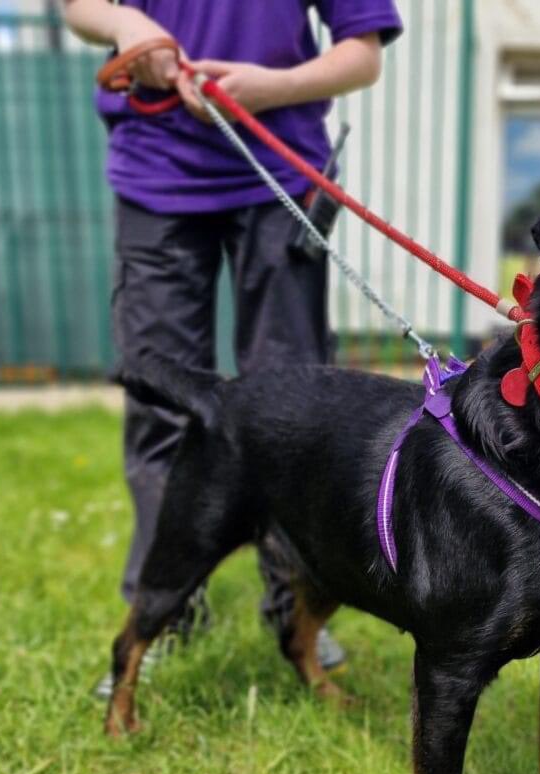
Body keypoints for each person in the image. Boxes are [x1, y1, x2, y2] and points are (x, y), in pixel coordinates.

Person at [61, 0, 402, 695]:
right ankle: (165, 609)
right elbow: (79, 6)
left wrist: (268, 86)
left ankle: (295, 609)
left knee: (295, 420)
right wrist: (130, 29)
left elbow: (362, 52)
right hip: (155, 178)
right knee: (163, 407)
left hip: (277, 169)